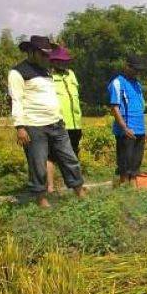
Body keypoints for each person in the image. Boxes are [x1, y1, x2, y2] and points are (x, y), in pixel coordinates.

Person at [7, 36, 85, 207]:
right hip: (34, 125)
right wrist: (20, 127)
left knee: (69, 158)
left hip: (56, 123)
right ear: (32, 52)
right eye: (43, 54)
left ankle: (79, 191)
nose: (46, 58)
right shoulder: (18, 72)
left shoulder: (47, 71)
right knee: (38, 164)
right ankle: (41, 199)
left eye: (48, 55)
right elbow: (17, 100)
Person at [46, 46, 83, 193]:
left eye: (65, 61)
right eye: (60, 61)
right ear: (53, 61)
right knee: (51, 156)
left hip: (75, 123)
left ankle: (74, 187)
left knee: (73, 155)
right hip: (58, 123)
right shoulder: (48, 77)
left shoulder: (71, 74)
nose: (63, 64)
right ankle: (50, 187)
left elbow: (75, 97)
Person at [108, 55, 147, 186]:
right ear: (127, 66)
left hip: (139, 128)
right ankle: (123, 184)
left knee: (136, 161)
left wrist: (144, 129)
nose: (137, 72)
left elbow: (140, 107)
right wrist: (124, 128)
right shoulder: (118, 83)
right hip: (126, 130)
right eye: (135, 69)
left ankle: (133, 183)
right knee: (125, 161)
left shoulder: (137, 84)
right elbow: (114, 107)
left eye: (139, 70)